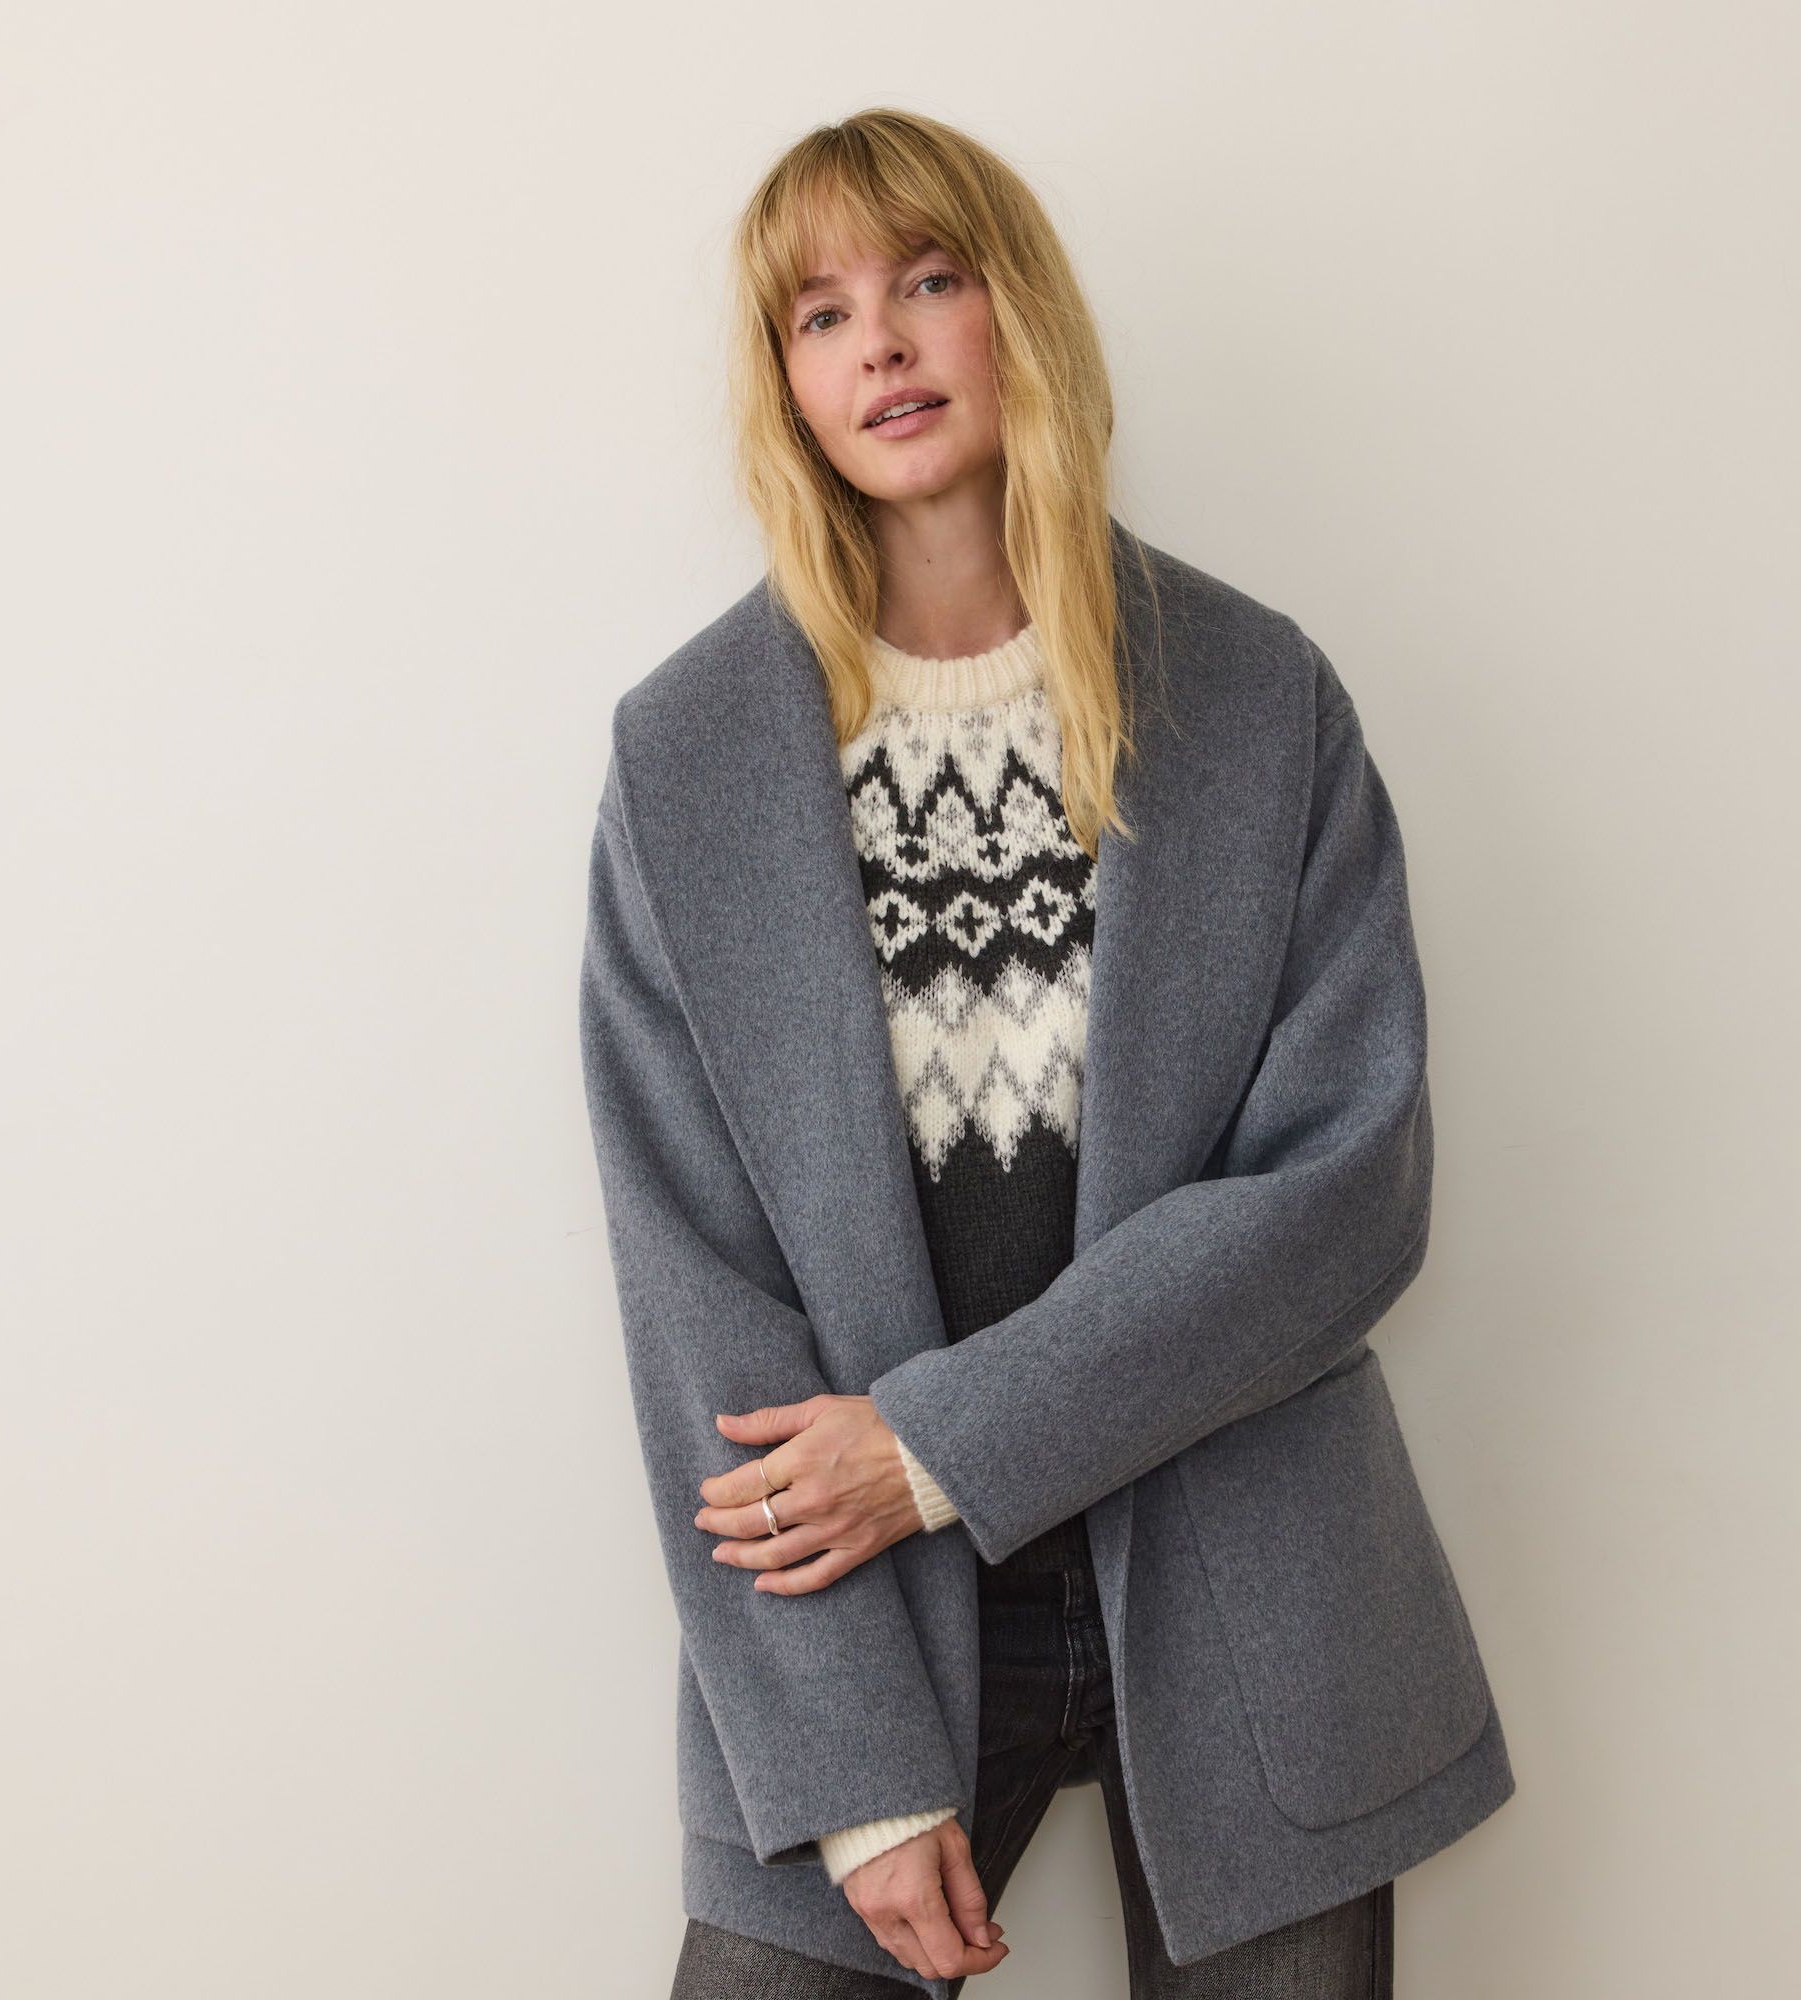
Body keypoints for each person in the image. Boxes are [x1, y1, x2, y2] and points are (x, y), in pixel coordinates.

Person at [578, 107, 1514, 1998]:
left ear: (1020, 312)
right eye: (822, 315)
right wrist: (845, 1771)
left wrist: (939, 1445)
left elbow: (1347, 1195)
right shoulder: (689, 761)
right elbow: (701, 1306)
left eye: (930, 279)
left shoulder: (1255, 695)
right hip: (878, 1621)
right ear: (787, 385)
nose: (883, 344)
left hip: (1260, 1584)